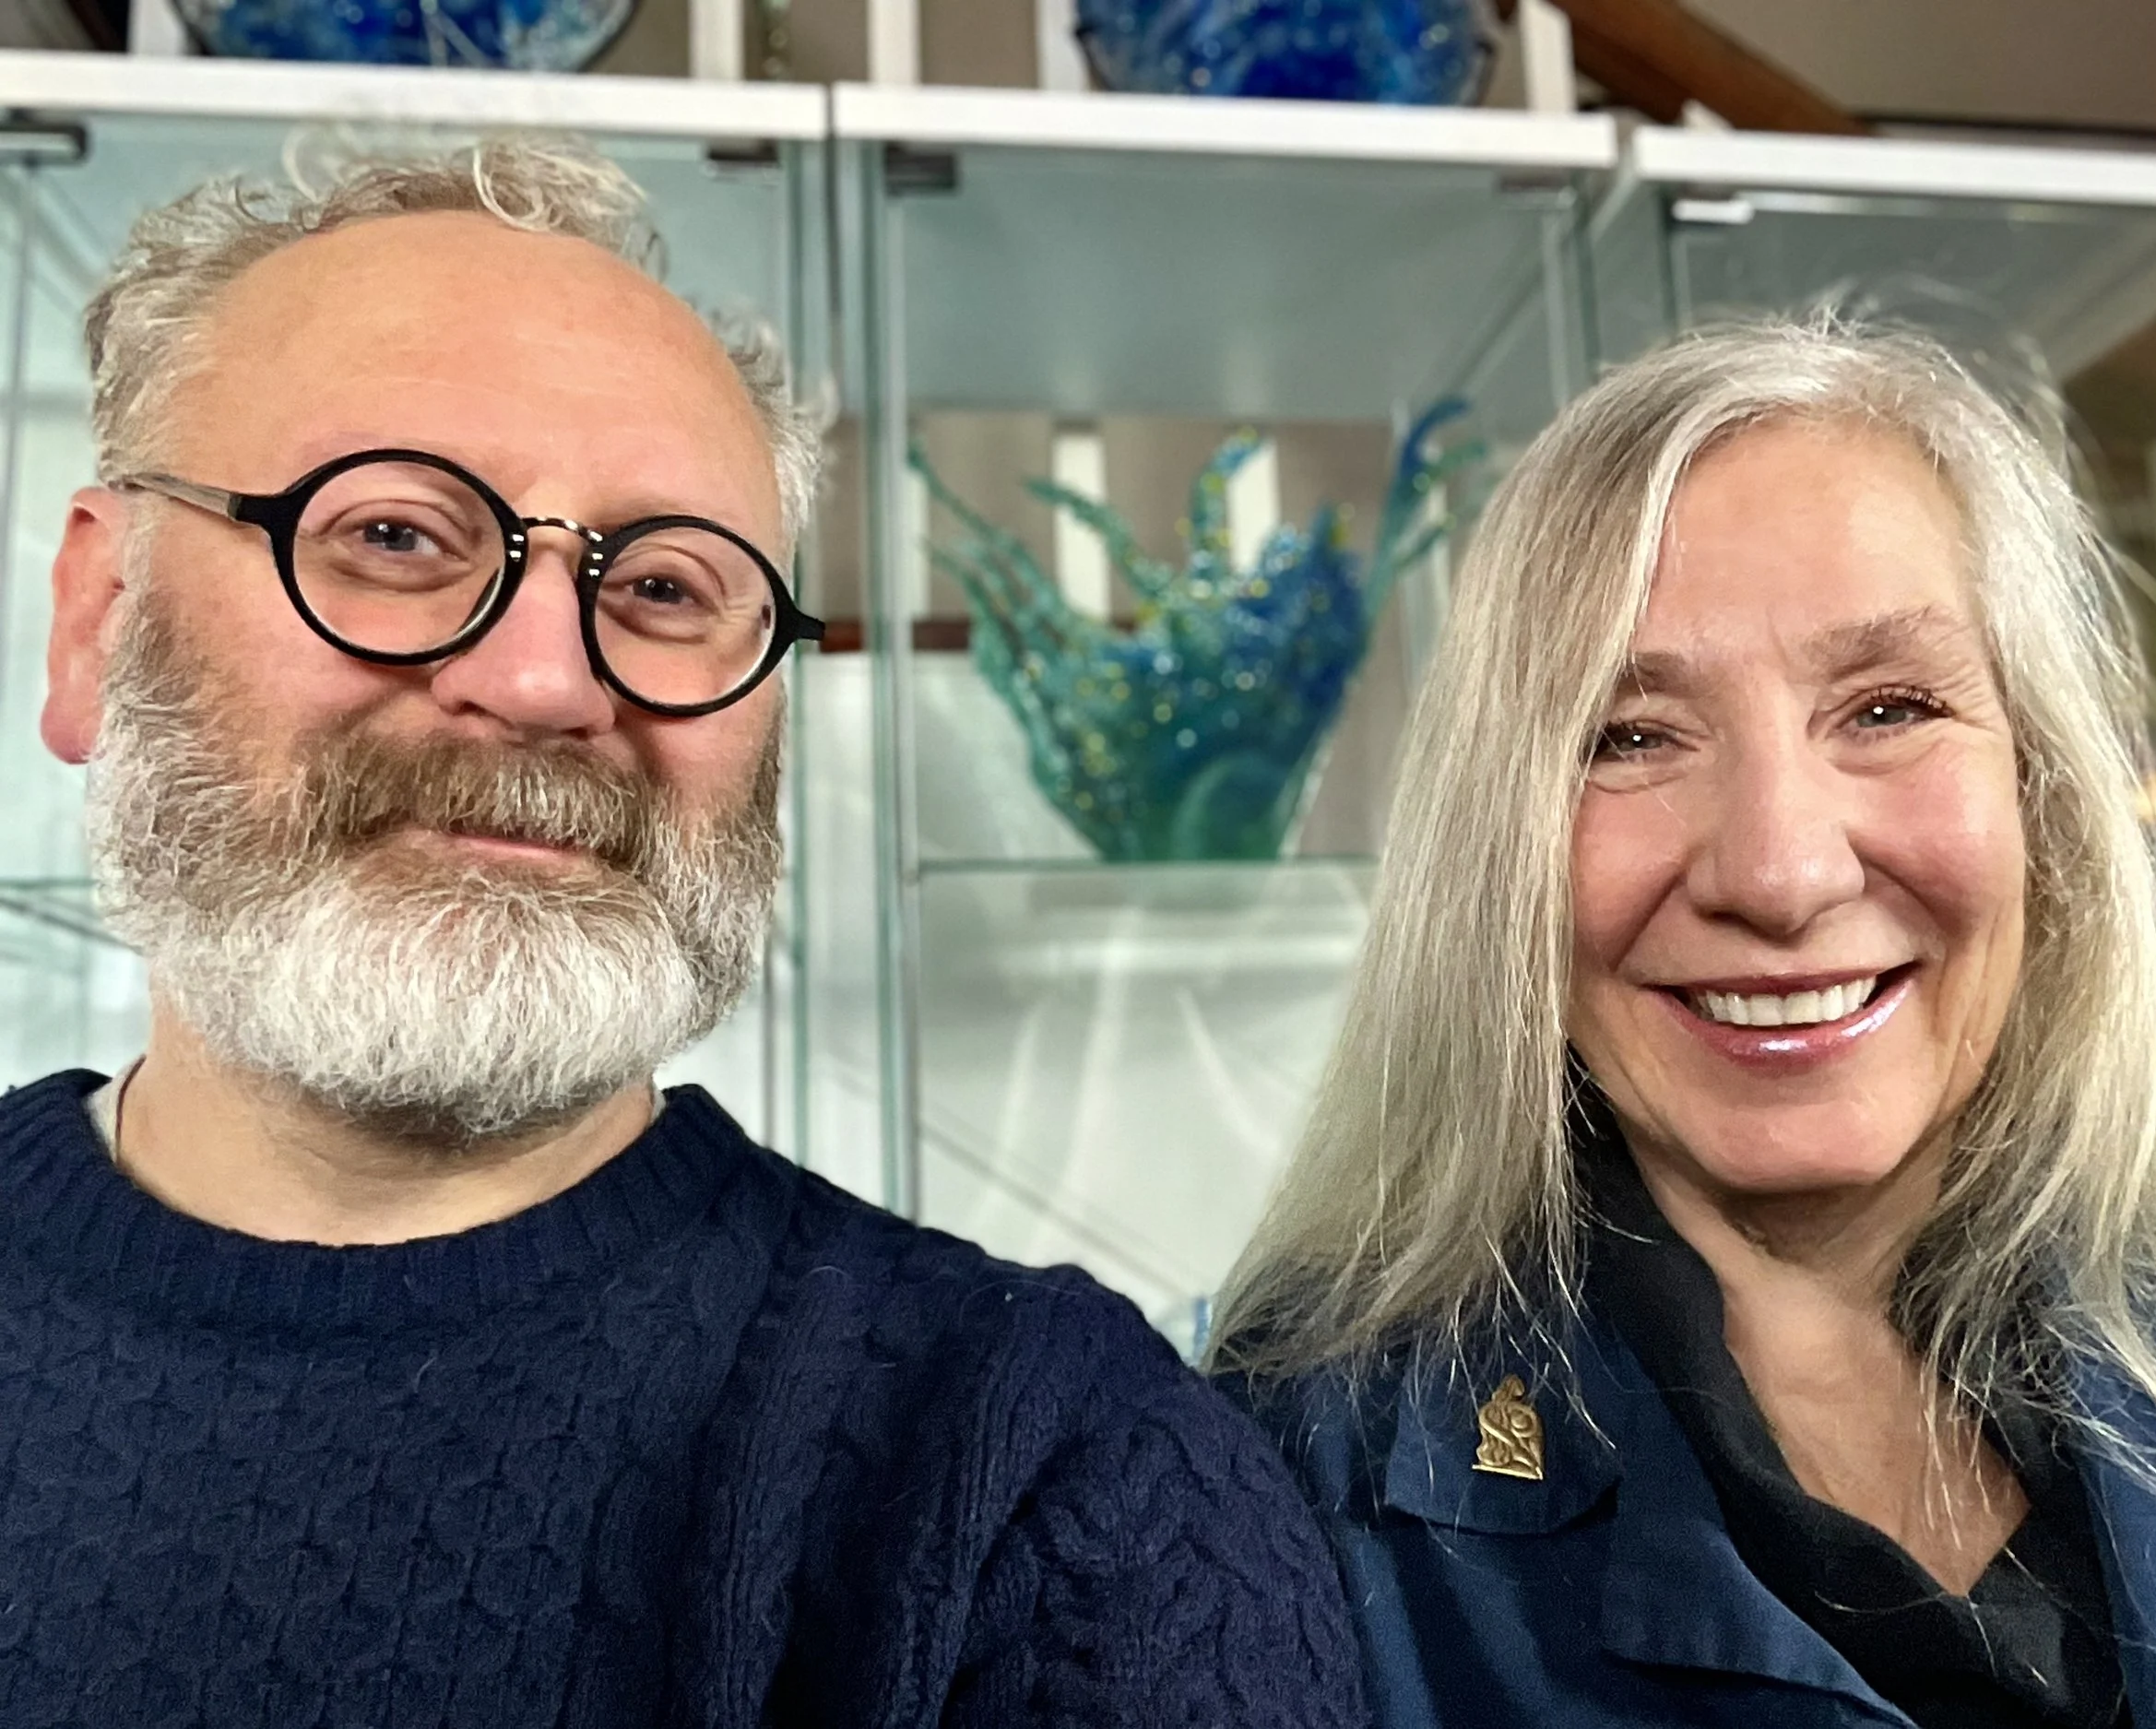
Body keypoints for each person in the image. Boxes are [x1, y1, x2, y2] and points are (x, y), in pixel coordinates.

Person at [2, 137, 1366, 1728]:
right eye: (393, 537)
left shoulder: (1056, 1480)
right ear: (99, 620)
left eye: (660, 586)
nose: (544, 681)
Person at [1214, 321, 2156, 1729]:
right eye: (1629, 735)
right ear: (1497, 855)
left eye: (1889, 707)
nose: (1781, 873)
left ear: (2045, 790)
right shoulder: (1284, 1471)